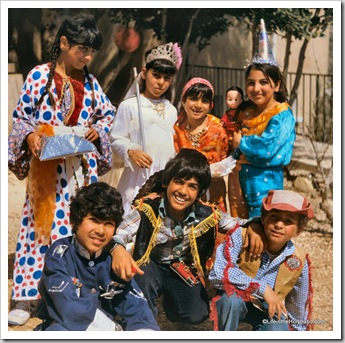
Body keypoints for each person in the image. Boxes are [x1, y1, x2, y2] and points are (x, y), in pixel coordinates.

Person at [8, 12, 115, 326]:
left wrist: (98, 131)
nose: (87, 56)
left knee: (77, 228)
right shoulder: (39, 76)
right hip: (46, 171)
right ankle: (28, 296)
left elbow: (106, 115)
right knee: (38, 229)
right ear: (64, 43)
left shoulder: (92, 84)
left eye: (91, 50)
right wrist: (29, 135)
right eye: (81, 48)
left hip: (79, 169)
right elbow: (22, 117)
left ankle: (73, 294)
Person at [109, 149, 264, 327]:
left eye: (192, 186)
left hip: (180, 268)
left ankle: (169, 303)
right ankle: (144, 324)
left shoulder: (206, 213)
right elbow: (121, 231)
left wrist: (255, 224)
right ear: (167, 182)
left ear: (199, 193)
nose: (183, 191)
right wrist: (118, 249)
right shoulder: (149, 207)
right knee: (143, 277)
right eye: (179, 182)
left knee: (196, 314)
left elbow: (236, 224)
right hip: (151, 263)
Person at [36, 182, 159, 331]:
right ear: (75, 221)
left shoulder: (114, 259)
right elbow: (67, 305)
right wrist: (111, 330)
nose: (101, 231)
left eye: (108, 223)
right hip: (69, 326)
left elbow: (137, 308)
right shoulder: (60, 254)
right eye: (94, 220)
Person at [208, 189, 314, 331]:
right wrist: (262, 288)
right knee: (231, 301)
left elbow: (297, 304)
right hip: (235, 298)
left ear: (299, 230)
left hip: (266, 307)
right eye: (274, 217)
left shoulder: (298, 259)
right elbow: (218, 274)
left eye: (288, 221)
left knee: (278, 328)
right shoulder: (241, 236)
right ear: (263, 218)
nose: (279, 225)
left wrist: (299, 331)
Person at [232, 19, 296, 218]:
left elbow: (266, 150)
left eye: (263, 82)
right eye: (251, 83)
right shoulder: (247, 112)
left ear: (276, 85)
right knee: (239, 235)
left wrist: (241, 143)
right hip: (241, 185)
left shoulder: (283, 115)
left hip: (266, 187)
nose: (256, 88)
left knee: (264, 234)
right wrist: (239, 153)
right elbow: (234, 152)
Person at [109, 42, 182, 215]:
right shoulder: (130, 106)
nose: (161, 83)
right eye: (156, 76)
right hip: (138, 176)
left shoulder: (171, 109)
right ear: (144, 73)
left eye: (166, 78)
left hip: (164, 175)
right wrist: (131, 151)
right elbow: (116, 138)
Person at [173, 77, 229, 215]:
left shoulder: (218, 129)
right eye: (193, 99)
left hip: (213, 194)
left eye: (204, 101)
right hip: (183, 194)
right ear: (183, 101)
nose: (198, 105)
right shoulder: (176, 129)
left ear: (211, 105)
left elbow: (224, 158)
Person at [220, 86, 249, 219]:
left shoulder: (242, 114)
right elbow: (222, 123)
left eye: (236, 99)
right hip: (230, 141)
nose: (232, 102)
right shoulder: (227, 114)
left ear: (241, 100)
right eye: (230, 99)